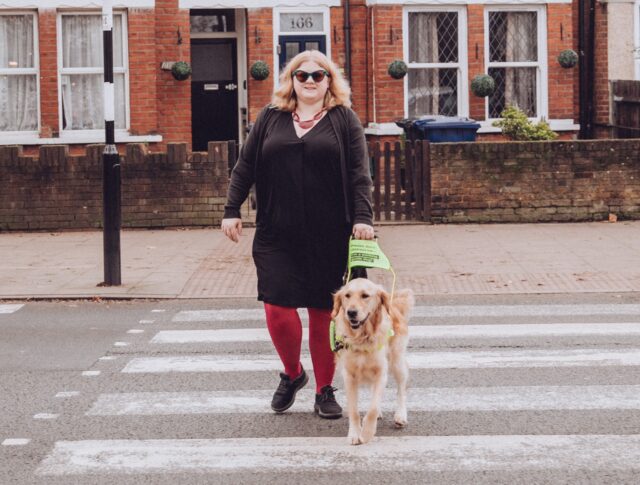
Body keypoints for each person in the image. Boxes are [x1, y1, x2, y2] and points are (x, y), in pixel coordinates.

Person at [221, 50, 374, 419]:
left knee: (322, 312)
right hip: (277, 230)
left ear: (329, 81)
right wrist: (231, 209)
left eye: (317, 76)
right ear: (290, 80)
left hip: (329, 233)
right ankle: (292, 374)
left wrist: (363, 218)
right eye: (300, 75)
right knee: (277, 307)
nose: (309, 81)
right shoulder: (271, 118)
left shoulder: (344, 120)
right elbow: (245, 166)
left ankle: (324, 389)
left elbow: (359, 173)